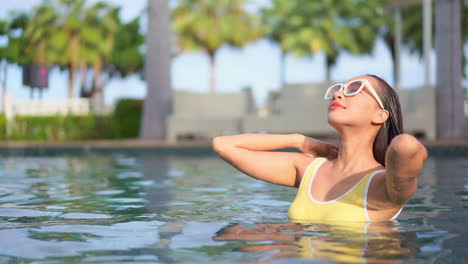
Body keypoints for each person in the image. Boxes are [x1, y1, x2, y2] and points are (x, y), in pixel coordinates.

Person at [212, 74, 428, 222]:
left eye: (354, 89)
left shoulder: (383, 185)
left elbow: (406, 147)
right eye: (338, 89)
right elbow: (223, 145)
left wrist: (396, 144)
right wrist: (298, 141)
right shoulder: (308, 169)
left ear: (380, 115)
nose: (338, 94)